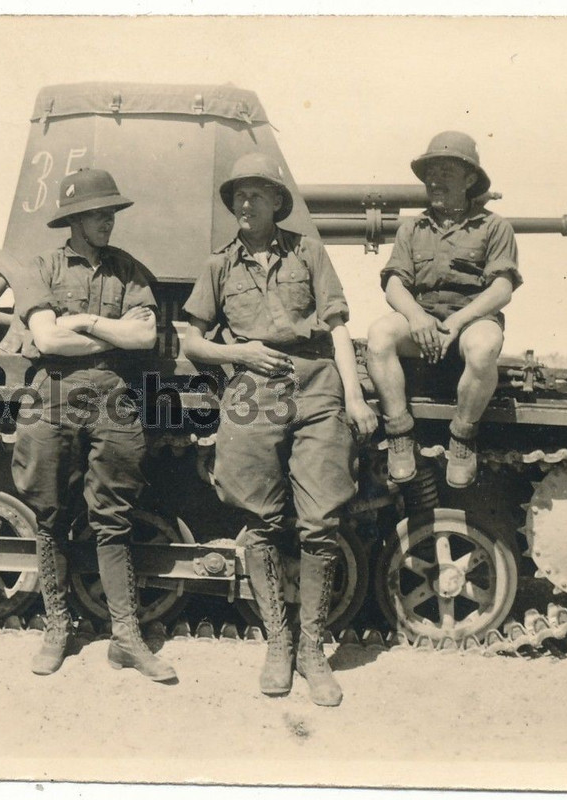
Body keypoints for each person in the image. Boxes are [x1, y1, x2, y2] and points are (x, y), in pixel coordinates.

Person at [179, 152, 377, 706]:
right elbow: (191, 341)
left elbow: (338, 327)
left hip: (315, 384)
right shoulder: (219, 266)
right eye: (238, 196)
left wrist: (355, 395)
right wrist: (237, 351)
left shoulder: (309, 253)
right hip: (251, 388)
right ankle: (278, 643)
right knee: (259, 520)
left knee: (320, 521)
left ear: (276, 202)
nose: (245, 204)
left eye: (256, 195)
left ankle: (313, 648)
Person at [11, 168, 175, 682]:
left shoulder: (129, 270)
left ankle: (125, 636)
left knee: (114, 516)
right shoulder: (42, 267)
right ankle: (57, 626)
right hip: (53, 395)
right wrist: (112, 334)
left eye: (111, 213)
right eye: (102, 213)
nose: (110, 221)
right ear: (76, 219)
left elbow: (145, 338)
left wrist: (82, 323)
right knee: (50, 512)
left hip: (112, 397)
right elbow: (48, 342)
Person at [365, 131, 522, 489]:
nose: (434, 181)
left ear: (470, 179)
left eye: (446, 172)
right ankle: (400, 433)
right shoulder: (412, 228)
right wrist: (418, 317)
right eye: (430, 173)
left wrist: (456, 322)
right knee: (379, 336)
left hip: (472, 322)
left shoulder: (495, 227)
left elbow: (502, 288)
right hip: (421, 322)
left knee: (483, 349)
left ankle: (463, 438)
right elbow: (394, 283)